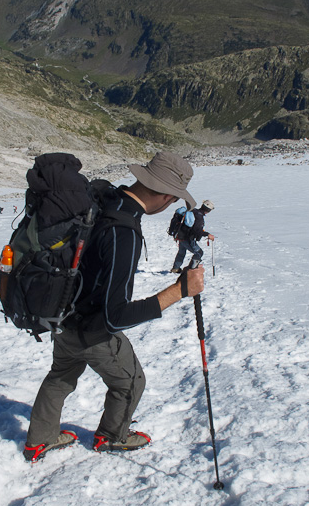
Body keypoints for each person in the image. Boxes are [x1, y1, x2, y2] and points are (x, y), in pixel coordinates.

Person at [24, 152, 205, 462]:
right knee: (131, 380)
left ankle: (38, 440)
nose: (171, 205)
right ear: (164, 194)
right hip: (92, 331)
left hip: (63, 315)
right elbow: (115, 316)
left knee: (61, 376)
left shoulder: (104, 197)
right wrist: (179, 291)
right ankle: (111, 436)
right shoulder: (124, 231)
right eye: (174, 199)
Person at [170, 200, 215, 274]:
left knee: (181, 252)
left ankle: (176, 268)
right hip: (188, 238)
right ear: (208, 210)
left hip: (181, 236)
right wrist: (208, 235)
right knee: (199, 253)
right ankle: (191, 270)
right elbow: (197, 231)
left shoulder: (193, 211)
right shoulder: (199, 217)